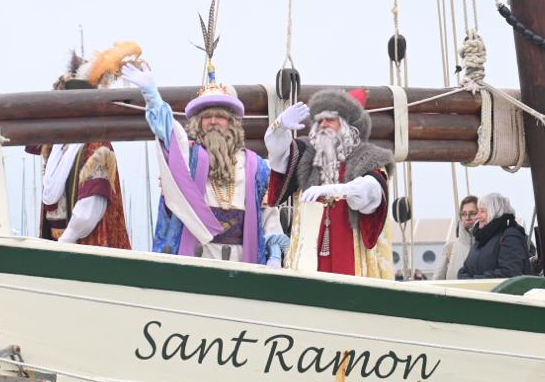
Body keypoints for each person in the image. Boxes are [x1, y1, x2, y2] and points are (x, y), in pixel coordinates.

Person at [119, 59, 286, 266]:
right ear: (198, 123)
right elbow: (168, 131)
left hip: (244, 259)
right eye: (207, 117)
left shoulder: (257, 166)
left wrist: (275, 253)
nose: (213, 122)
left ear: (232, 123)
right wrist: (152, 96)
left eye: (220, 117)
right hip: (198, 256)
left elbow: (268, 212)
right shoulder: (190, 156)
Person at [264, 89, 395, 279]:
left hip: (350, 256)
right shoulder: (305, 156)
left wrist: (336, 190)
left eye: (330, 120)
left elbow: (370, 192)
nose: (323, 125)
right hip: (308, 257)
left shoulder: (368, 159)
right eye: (319, 120)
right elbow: (279, 154)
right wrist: (279, 128)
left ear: (347, 126)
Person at [28, 50, 133, 250]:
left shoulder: (97, 147)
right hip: (58, 244)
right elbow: (25, 133)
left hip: (81, 248)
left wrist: (63, 243)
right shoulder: (57, 146)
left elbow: (89, 211)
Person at [458, 193, 530, 279]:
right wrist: (468, 282)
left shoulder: (510, 236)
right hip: (476, 291)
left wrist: (474, 281)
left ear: (496, 212)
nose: (477, 216)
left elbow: (510, 272)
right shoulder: (481, 237)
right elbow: (463, 271)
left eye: (482, 211)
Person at [433, 195, 479, 280]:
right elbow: (438, 278)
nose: (467, 218)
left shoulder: (489, 245)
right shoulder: (450, 247)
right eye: (464, 214)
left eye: (472, 213)